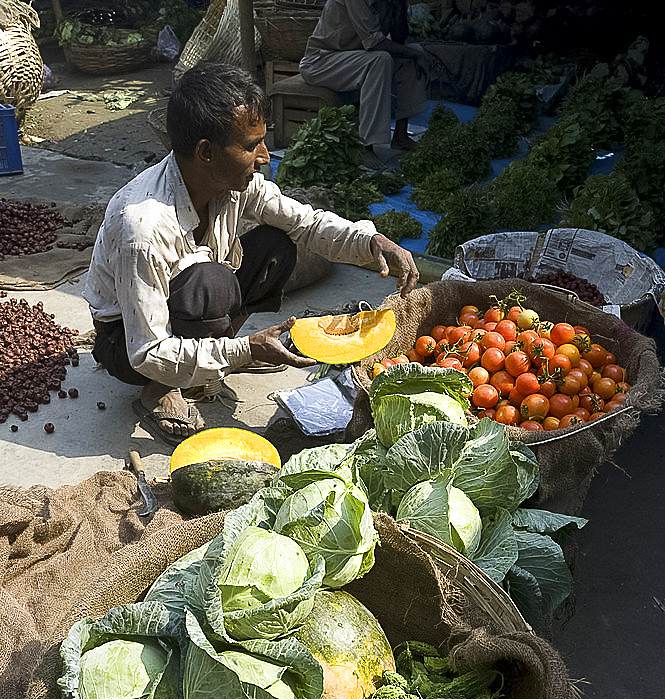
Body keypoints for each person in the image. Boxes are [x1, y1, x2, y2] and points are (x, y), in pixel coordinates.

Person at [84, 61, 419, 444]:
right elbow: (146, 350)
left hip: (187, 299)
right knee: (212, 282)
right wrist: (244, 350)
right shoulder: (142, 227)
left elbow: (305, 223)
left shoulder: (234, 183)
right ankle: (160, 391)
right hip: (126, 341)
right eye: (249, 145)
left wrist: (370, 242)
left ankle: (216, 357)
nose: (265, 156)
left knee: (278, 245)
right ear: (206, 152)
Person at [299, 0, 428, 166]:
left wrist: (398, 7)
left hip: (355, 58)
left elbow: (399, 39)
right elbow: (373, 42)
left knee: (413, 53)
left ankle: (401, 135)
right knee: (381, 60)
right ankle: (366, 146)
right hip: (321, 61)